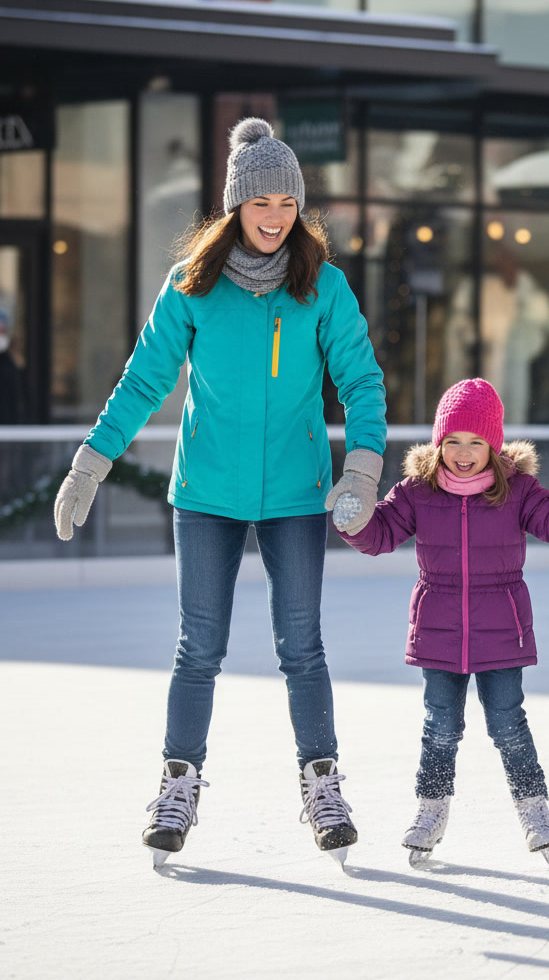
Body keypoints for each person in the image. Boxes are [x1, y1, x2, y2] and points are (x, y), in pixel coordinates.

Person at [52, 118, 387, 869]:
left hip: (298, 495)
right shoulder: (191, 286)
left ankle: (322, 783)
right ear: (236, 205)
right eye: (260, 200)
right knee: (197, 648)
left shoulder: (322, 287)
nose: (274, 216)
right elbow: (144, 381)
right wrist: (92, 463)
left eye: (286, 203)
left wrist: (362, 466)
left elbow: (360, 379)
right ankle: (178, 785)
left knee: (301, 648)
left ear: (300, 208)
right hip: (206, 493)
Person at [335, 378, 549, 864]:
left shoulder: (517, 491)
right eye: (453, 441)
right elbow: (379, 535)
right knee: (440, 724)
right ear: (439, 443)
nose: (463, 453)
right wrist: (355, 521)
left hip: (502, 630)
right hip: (439, 632)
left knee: (508, 723)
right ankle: (431, 808)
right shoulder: (416, 491)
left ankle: (533, 806)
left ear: (494, 445)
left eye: (476, 442)